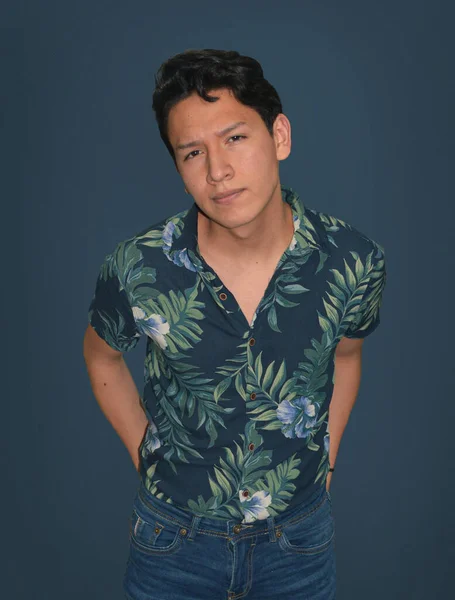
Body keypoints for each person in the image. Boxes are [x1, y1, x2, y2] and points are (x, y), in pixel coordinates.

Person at [83, 48, 387, 600]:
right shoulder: (138, 266)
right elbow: (101, 355)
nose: (217, 170)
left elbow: (346, 356)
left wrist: (328, 460)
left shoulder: (352, 261)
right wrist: (144, 450)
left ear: (280, 137)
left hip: (298, 542)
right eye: (192, 153)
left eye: (235, 138)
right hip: (172, 541)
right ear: (179, 170)